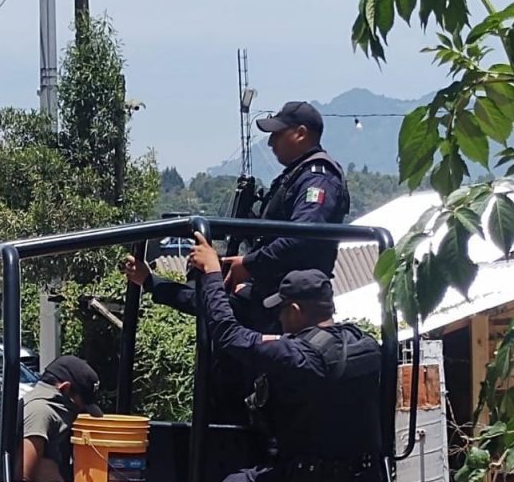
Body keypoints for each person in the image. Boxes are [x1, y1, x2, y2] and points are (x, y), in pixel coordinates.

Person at [188, 232, 383, 482]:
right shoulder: (367, 345)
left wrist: (211, 273)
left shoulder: (294, 355)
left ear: (294, 310)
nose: (278, 317)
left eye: (281, 310)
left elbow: (228, 335)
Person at [124, 100, 349, 333]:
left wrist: (250, 264)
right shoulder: (295, 176)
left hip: (291, 301)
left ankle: (150, 281)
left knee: (219, 307)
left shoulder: (318, 178)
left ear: (300, 134)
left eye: (277, 134)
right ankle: (149, 280)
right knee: (212, 295)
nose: (270, 142)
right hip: (272, 292)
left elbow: (303, 236)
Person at [17, 355, 103, 482]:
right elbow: (23, 478)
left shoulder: (46, 407)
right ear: (65, 388)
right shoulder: (41, 412)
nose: (79, 411)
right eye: (80, 405)